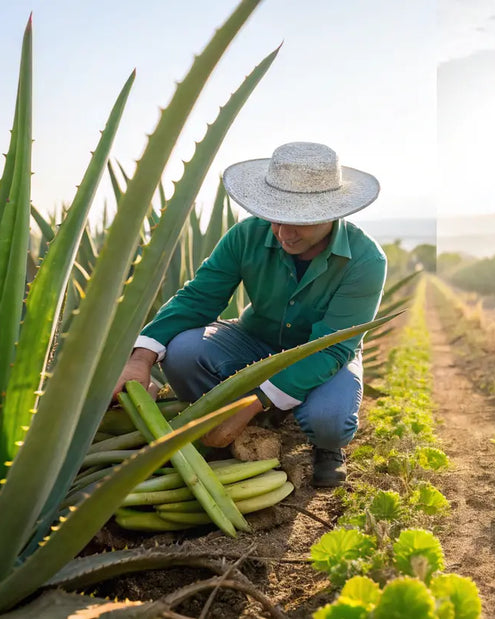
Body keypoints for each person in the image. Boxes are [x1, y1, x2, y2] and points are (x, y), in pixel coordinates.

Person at [113, 142, 387, 487]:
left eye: (300, 222)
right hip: (253, 340)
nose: (284, 233)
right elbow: (198, 298)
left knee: (329, 420)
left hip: (323, 354)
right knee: (183, 351)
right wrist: (141, 359)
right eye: (276, 217)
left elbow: (332, 348)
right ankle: (238, 423)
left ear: (333, 213)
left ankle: (322, 446)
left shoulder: (365, 261)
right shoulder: (246, 236)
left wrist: (251, 402)